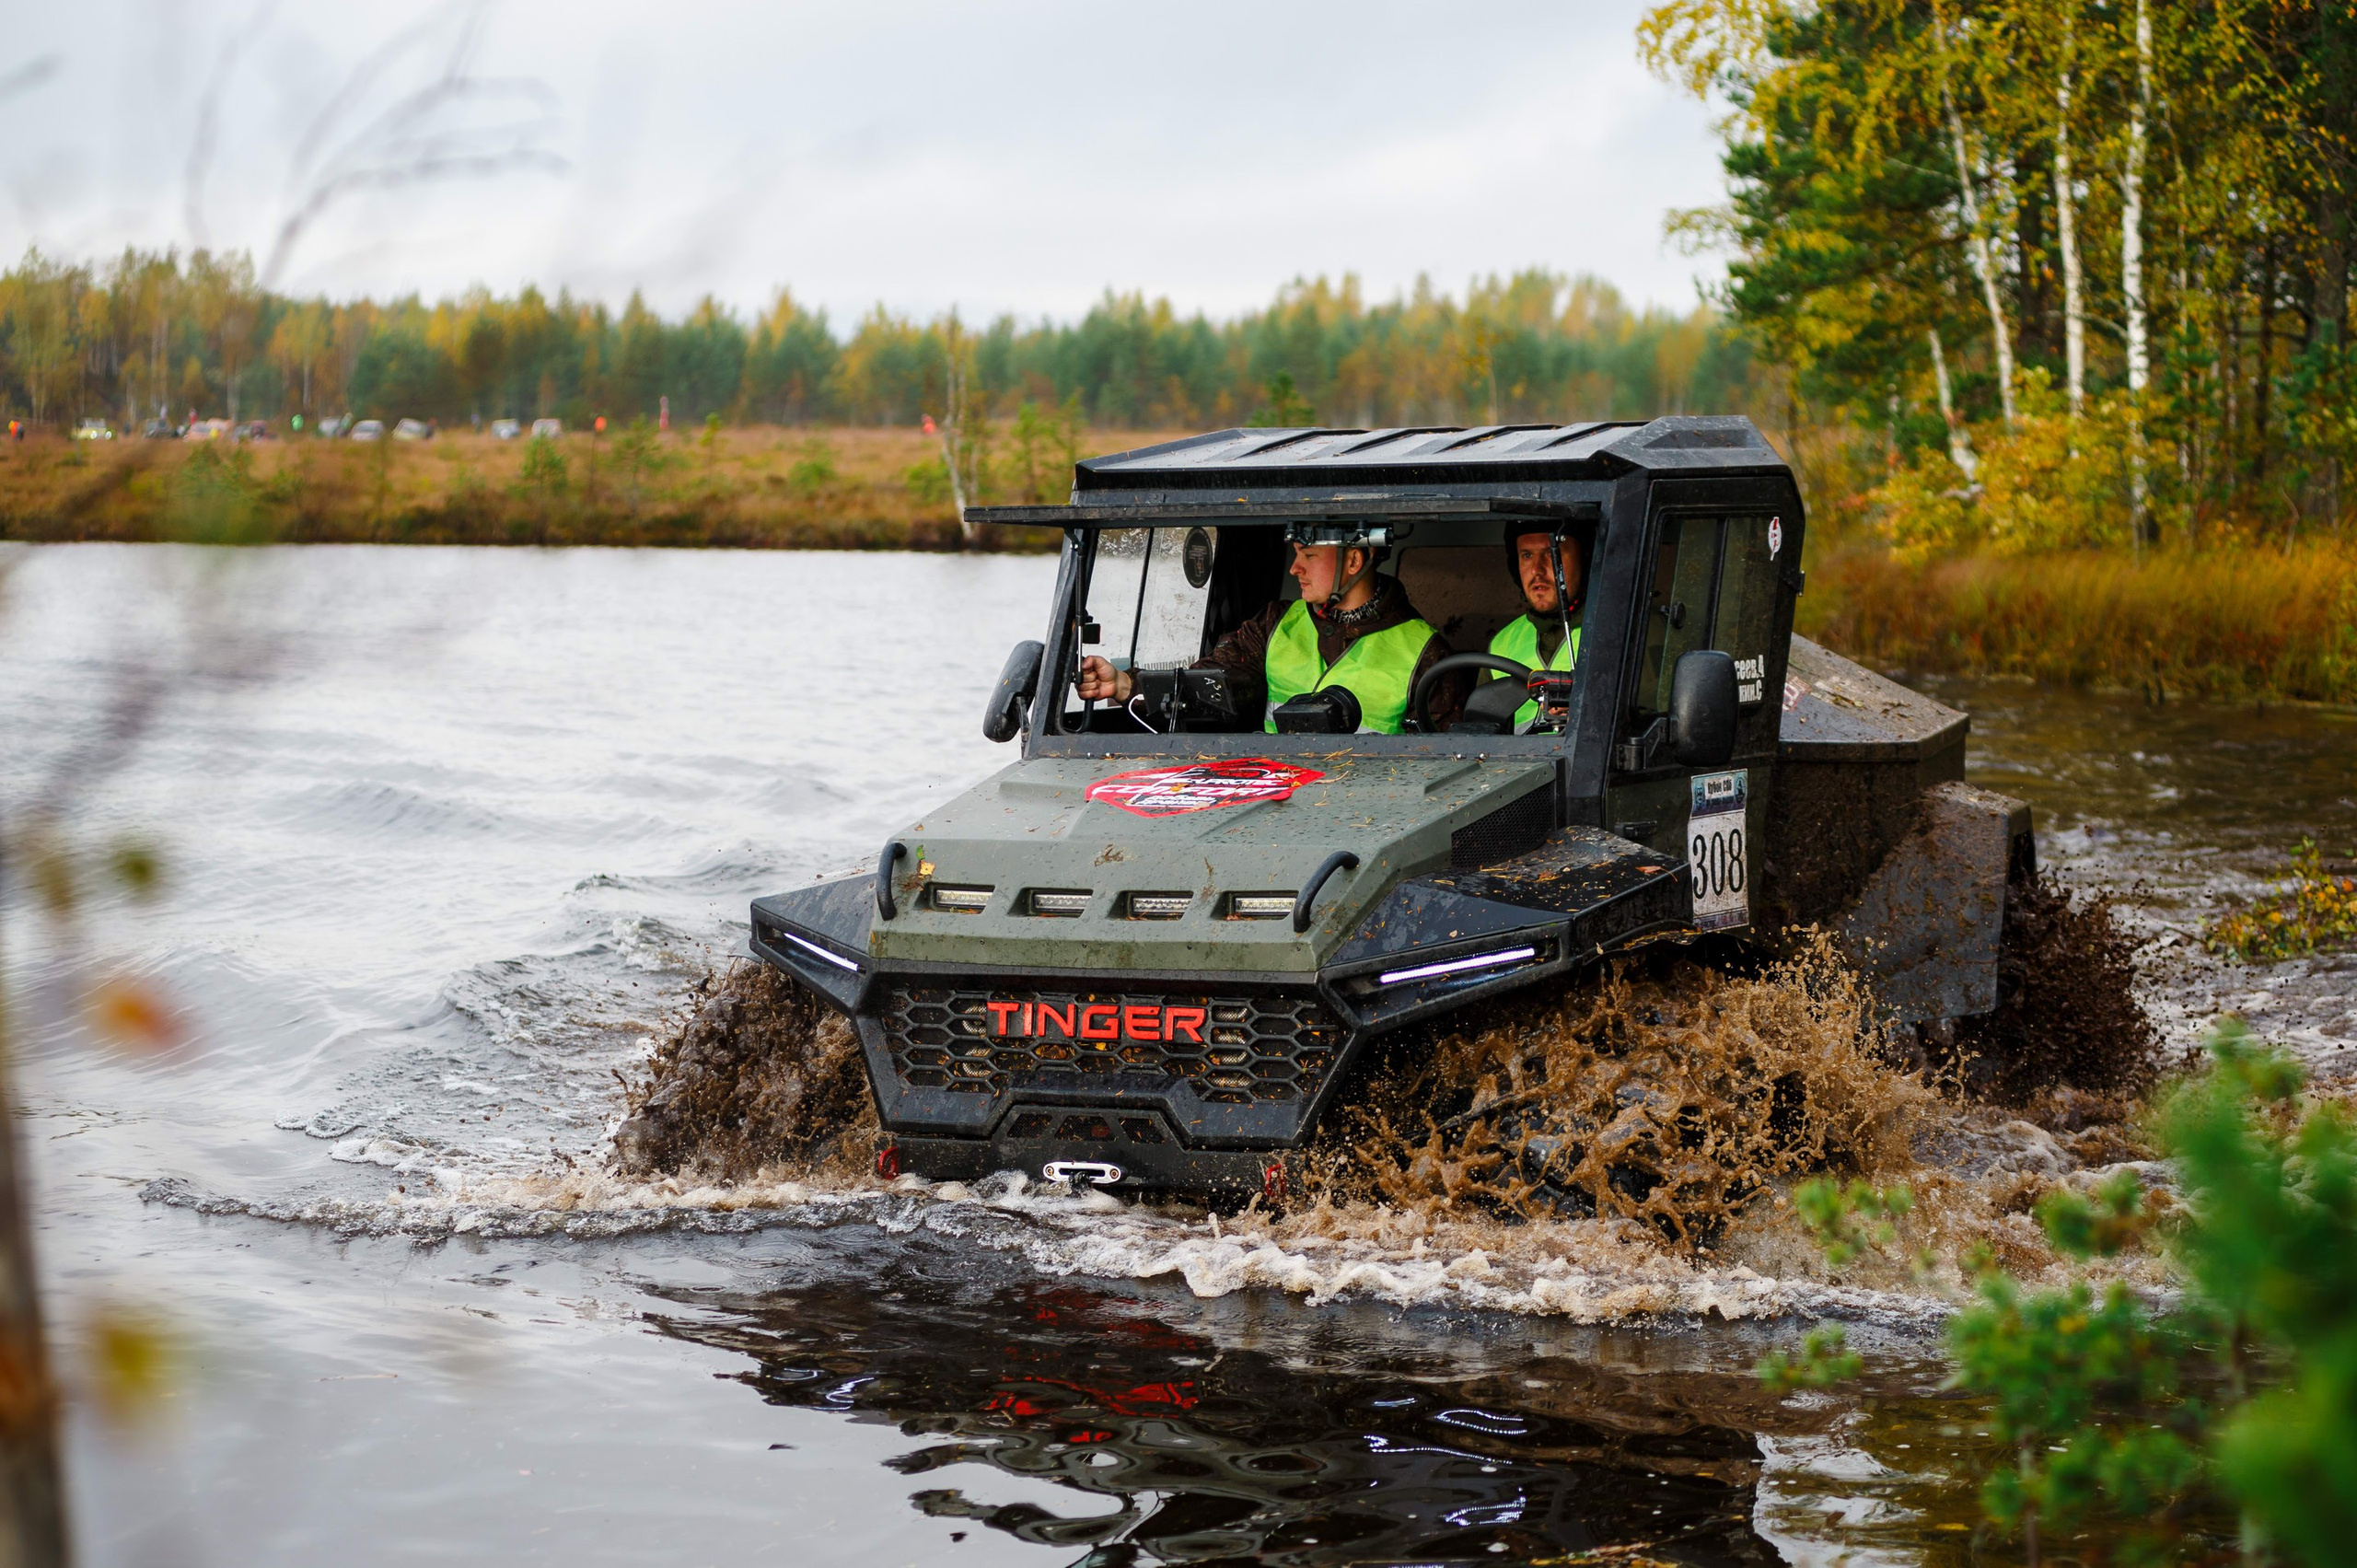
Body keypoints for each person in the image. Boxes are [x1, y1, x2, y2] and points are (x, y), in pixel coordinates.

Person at [1076, 528, 1465, 732]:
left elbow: (1441, 771)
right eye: (1296, 555)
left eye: (1309, 555)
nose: (1295, 568)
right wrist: (1126, 685)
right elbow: (1209, 686)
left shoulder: (1428, 654)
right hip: (1272, 800)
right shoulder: (1274, 622)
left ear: (1353, 562)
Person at [1485, 523, 1587, 732]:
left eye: (1552, 553)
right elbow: (1478, 734)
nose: (1537, 570)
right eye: (1527, 555)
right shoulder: (1501, 644)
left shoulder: (1627, 631)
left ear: (1585, 558)